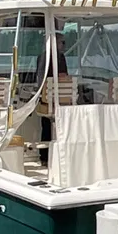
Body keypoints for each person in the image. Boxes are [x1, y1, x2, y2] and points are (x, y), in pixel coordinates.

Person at [36, 29, 68, 166]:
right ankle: (51, 155)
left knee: (47, 125)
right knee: (49, 125)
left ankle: (46, 157)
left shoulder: (46, 57)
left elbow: (40, 80)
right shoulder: (57, 58)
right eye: (62, 42)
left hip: (51, 99)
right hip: (56, 99)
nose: (64, 45)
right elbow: (64, 77)